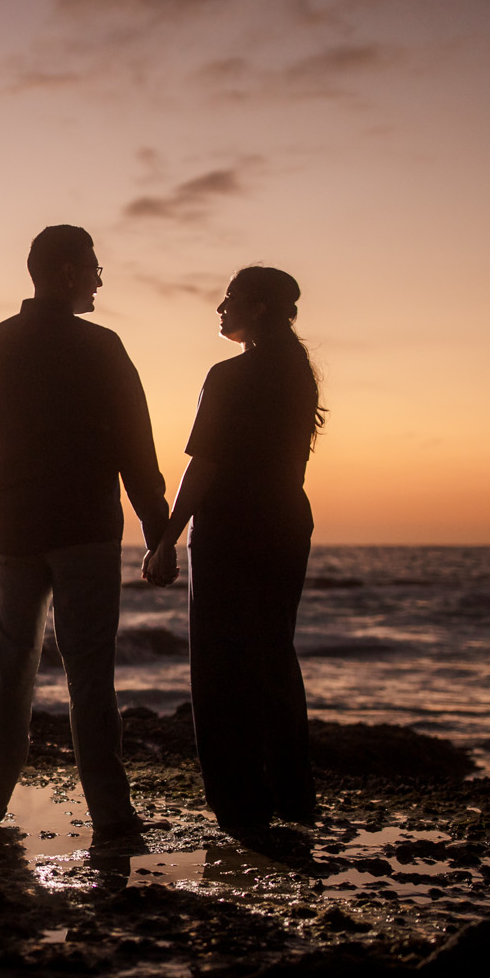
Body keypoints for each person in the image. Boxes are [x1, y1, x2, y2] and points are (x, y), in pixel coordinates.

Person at [0, 224, 170, 845]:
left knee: (11, 667)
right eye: (94, 267)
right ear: (69, 271)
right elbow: (136, 449)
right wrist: (158, 532)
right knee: (90, 674)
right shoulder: (102, 348)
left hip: (19, 534)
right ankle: (111, 816)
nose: (101, 278)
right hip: (87, 533)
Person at [147, 266, 324, 836]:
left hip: (230, 526)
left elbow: (206, 465)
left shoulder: (229, 376)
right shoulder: (300, 375)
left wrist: (167, 536)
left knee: (220, 666)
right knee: (273, 656)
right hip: (286, 521)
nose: (221, 309)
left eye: (231, 300)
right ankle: (292, 796)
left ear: (261, 309)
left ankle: (240, 805)